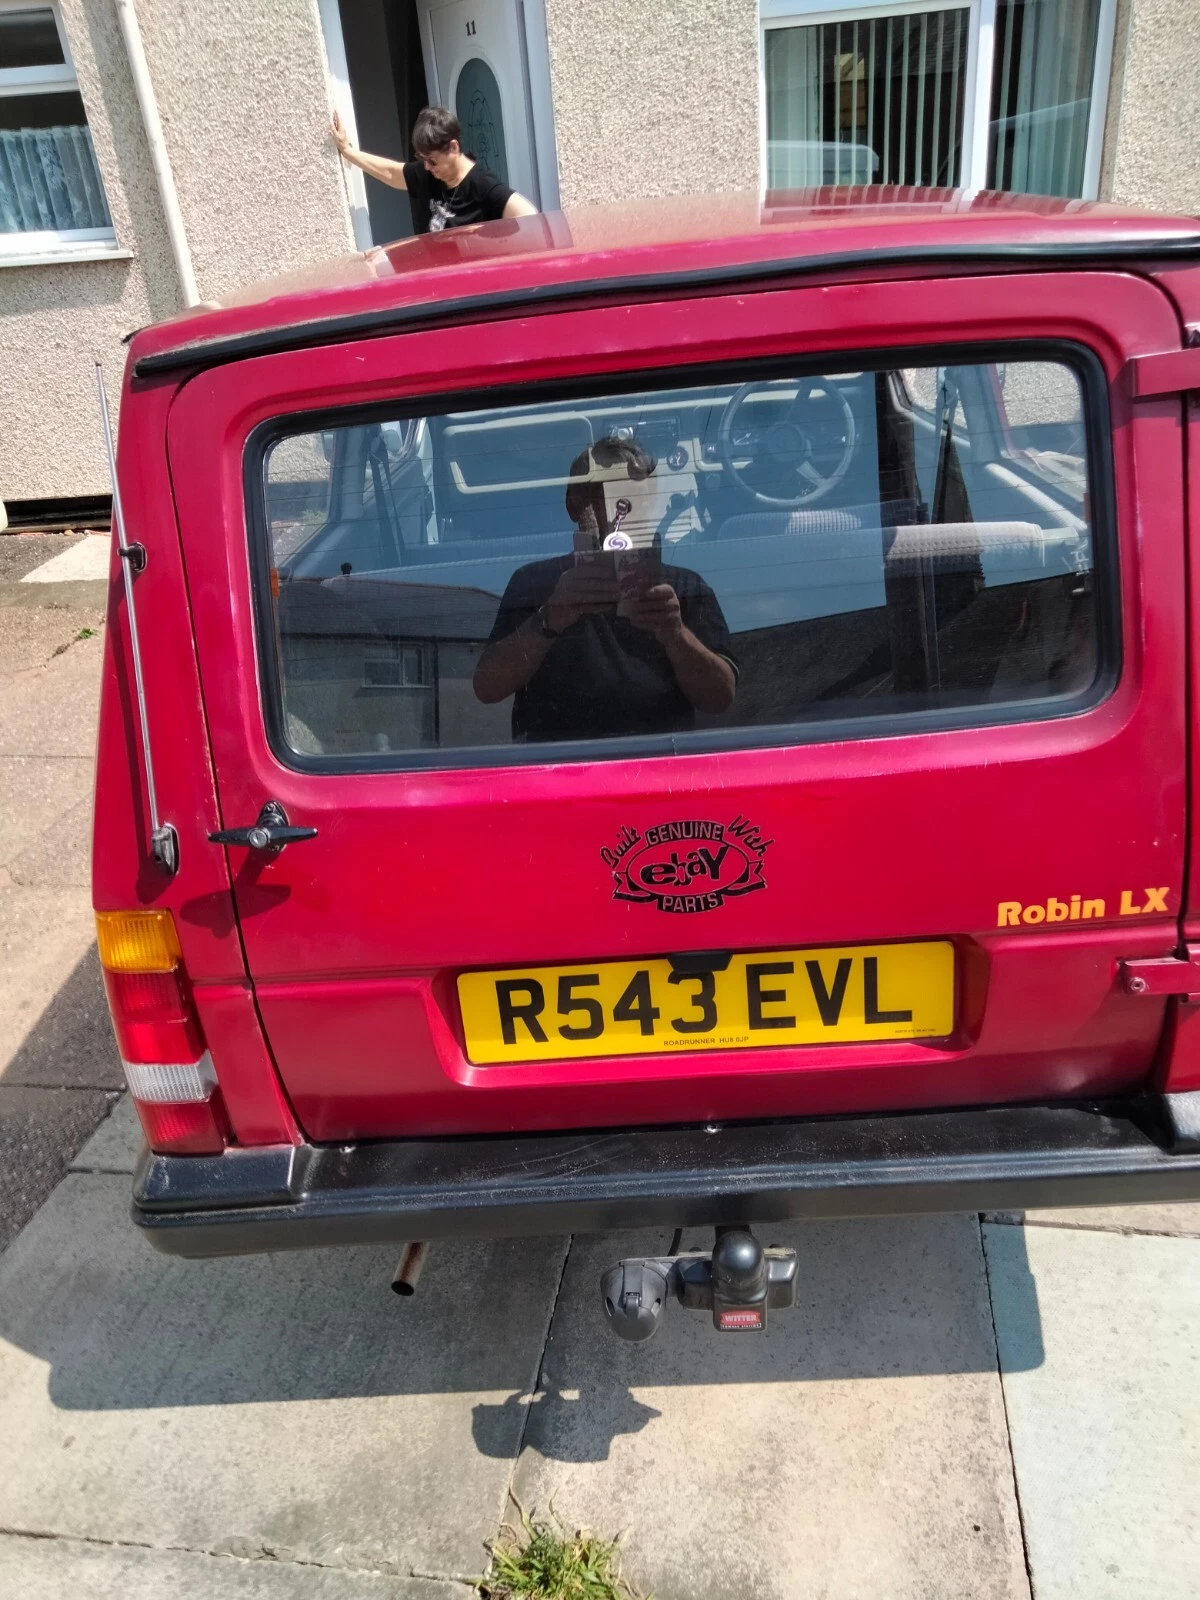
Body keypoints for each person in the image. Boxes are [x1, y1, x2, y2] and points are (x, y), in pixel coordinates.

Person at [473, 438, 737, 742]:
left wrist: (675, 635)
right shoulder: (534, 583)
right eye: (598, 492)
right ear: (574, 504)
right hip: (558, 769)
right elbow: (487, 688)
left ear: (650, 501)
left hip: (658, 765)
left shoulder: (685, 588)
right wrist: (548, 619)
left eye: (629, 495)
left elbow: (720, 698)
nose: (615, 511)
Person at [331, 104, 537, 235]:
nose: (427, 167)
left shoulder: (482, 185)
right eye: (423, 160)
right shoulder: (427, 174)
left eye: (432, 160)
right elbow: (392, 173)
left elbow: (530, 217)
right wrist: (349, 152)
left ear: (453, 147)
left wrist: (487, 237)